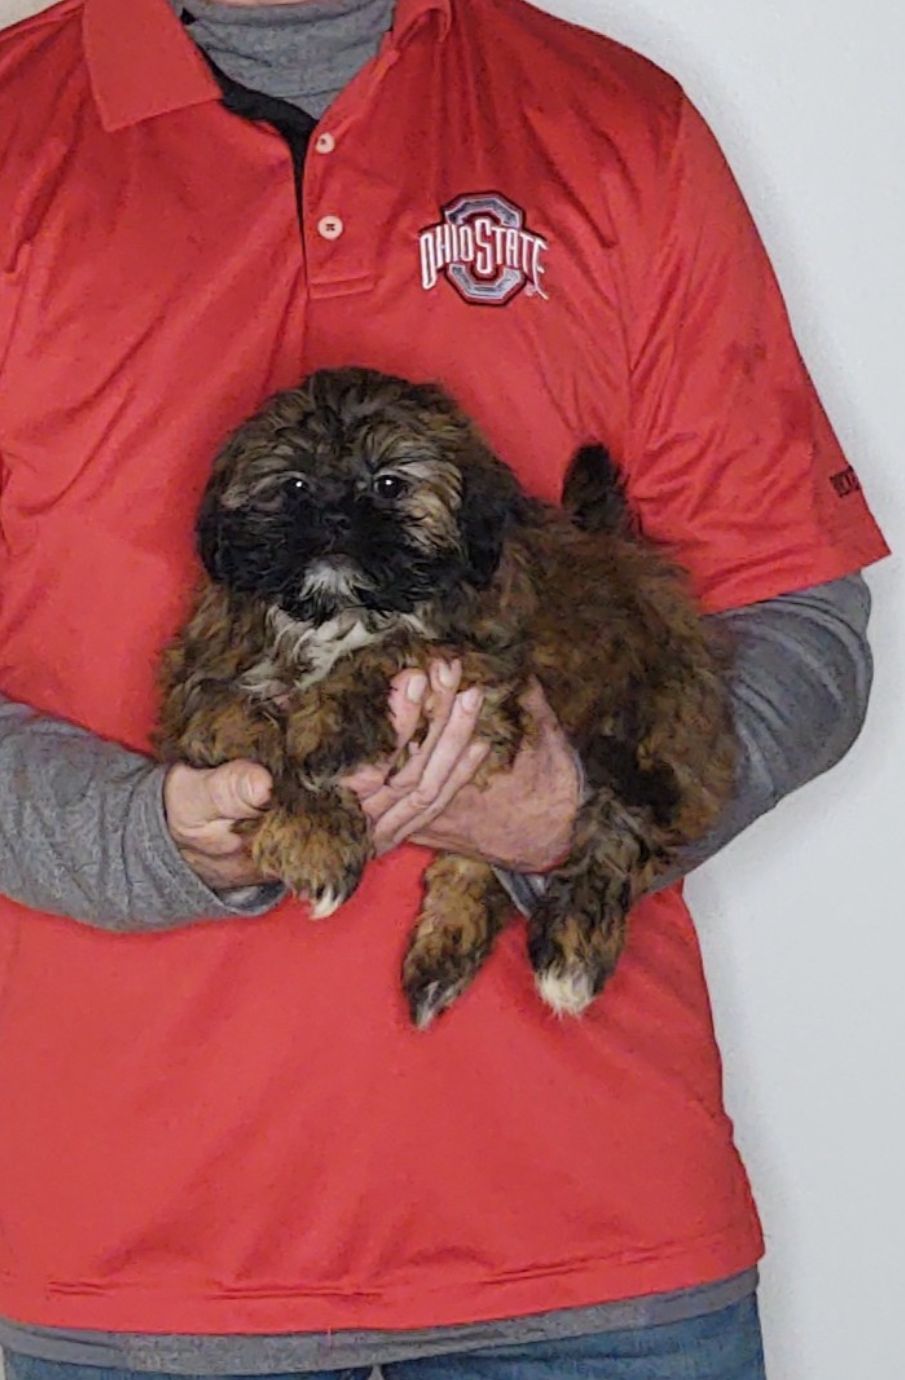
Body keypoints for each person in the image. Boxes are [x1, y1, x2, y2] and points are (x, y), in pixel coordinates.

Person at [0, 0, 888, 1377]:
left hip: (599, 1261)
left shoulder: (614, 125)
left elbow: (801, 623)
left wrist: (590, 817)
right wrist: (138, 837)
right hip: (137, 1274)